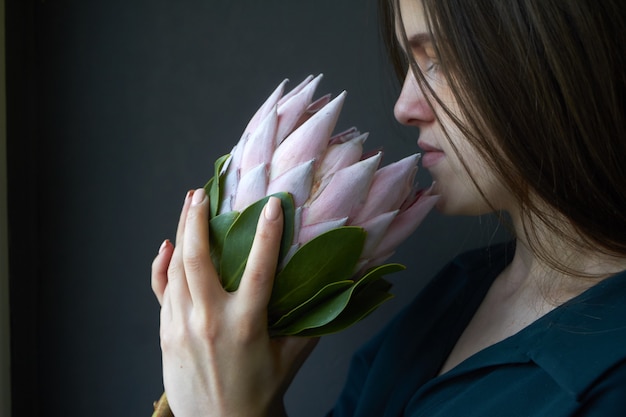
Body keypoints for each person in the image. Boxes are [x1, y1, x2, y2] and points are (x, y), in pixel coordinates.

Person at [151, 0, 626, 415]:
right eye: (411, 63)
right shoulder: (453, 296)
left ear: (560, 55)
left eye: (440, 60)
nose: (404, 106)